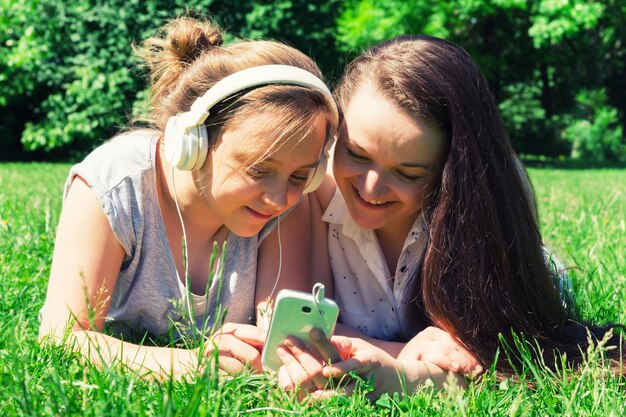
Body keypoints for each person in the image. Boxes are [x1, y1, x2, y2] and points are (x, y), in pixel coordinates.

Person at [277, 34, 625, 398]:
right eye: (357, 155)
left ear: (451, 172)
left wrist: (409, 372)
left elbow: (509, 360)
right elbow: (292, 331)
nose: (371, 189)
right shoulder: (307, 189)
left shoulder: (486, 200)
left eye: (408, 174)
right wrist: (402, 357)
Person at [38, 16, 339, 380]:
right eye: (258, 170)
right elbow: (63, 337)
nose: (279, 199)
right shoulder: (113, 186)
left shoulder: (292, 202)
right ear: (192, 143)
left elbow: (276, 337)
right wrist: (194, 364)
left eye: (300, 176)